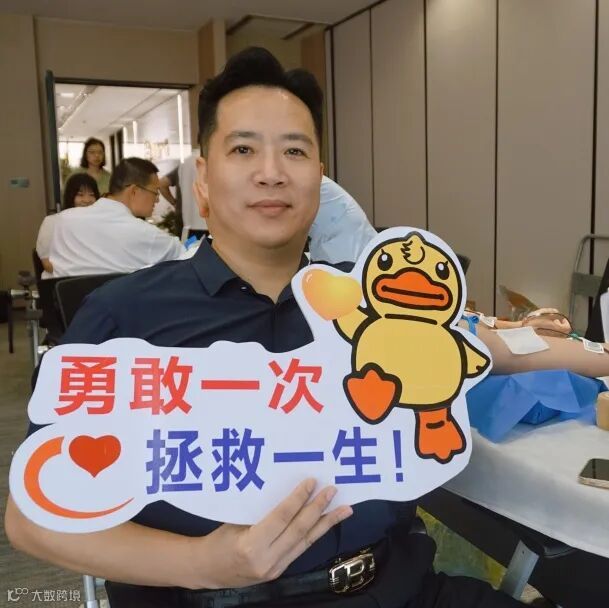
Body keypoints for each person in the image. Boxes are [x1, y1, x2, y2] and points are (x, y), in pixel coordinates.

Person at [5, 46, 589, 608]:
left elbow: (496, 347)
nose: (271, 173)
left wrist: (597, 354)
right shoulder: (124, 316)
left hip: (402, 588)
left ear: (321, 178)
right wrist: (204, 562)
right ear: (202, 179)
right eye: (243, 150)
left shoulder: (363, 298)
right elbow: (32, 519)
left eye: (294, 151)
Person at [49, 157, 185, 277]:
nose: (157, 200)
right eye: (155, 192)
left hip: (73, 299)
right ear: (134, 191)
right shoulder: (145, 234)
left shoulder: (62, 221)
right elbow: (185, 255)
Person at [36, 173, 100, 278]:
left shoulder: (100, 224)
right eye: (80, 195)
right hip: (61, 281)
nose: (87, 200)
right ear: (70, 196)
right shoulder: (52, 222)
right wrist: (78, 276)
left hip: (93, 280)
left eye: (92, 195)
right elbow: (47, 264)